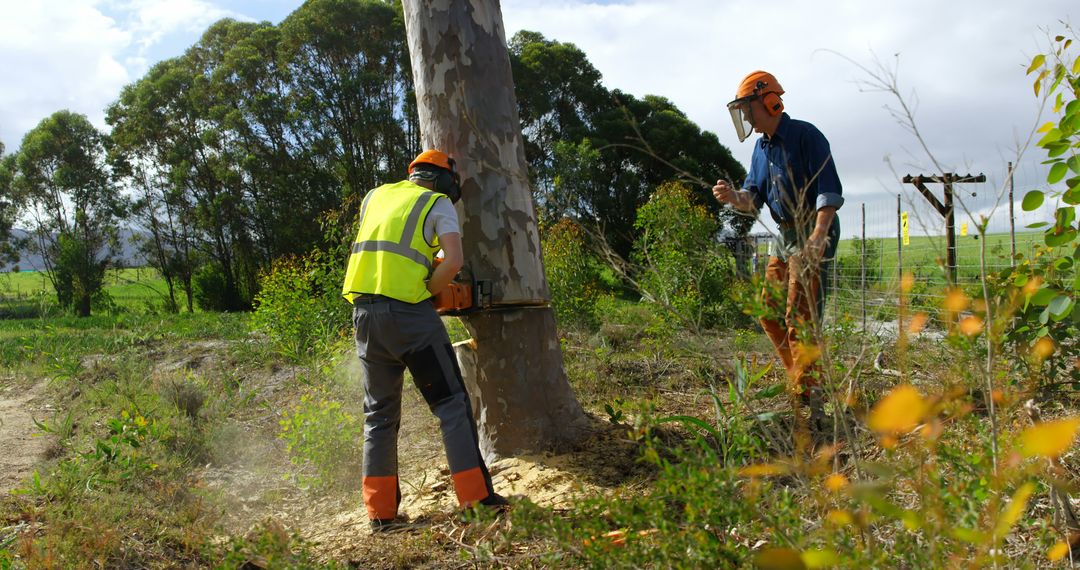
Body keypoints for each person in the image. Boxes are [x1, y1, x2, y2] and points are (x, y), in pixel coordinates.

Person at [342, 149, 509, 533]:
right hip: (411, 318)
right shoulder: (436, 203)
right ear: (443, 179)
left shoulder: (376, 196)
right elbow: (452, 262)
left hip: (365, 315)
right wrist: (432, 294)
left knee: (379, 415)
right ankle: (476, 500)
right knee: (450, 403)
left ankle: (381, 515)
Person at [711, 70, 843, 427]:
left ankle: (811, 401)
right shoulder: (760, 148)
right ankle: (802, 379)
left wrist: (818, 237)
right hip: (785, 238)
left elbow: (829, 191)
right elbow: (751, 197)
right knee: (768, 312)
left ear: (767, 100)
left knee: (800, 319)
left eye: (746, 108)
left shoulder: (806, 135)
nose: (745, 117)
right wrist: (731, 196)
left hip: (814, 231)